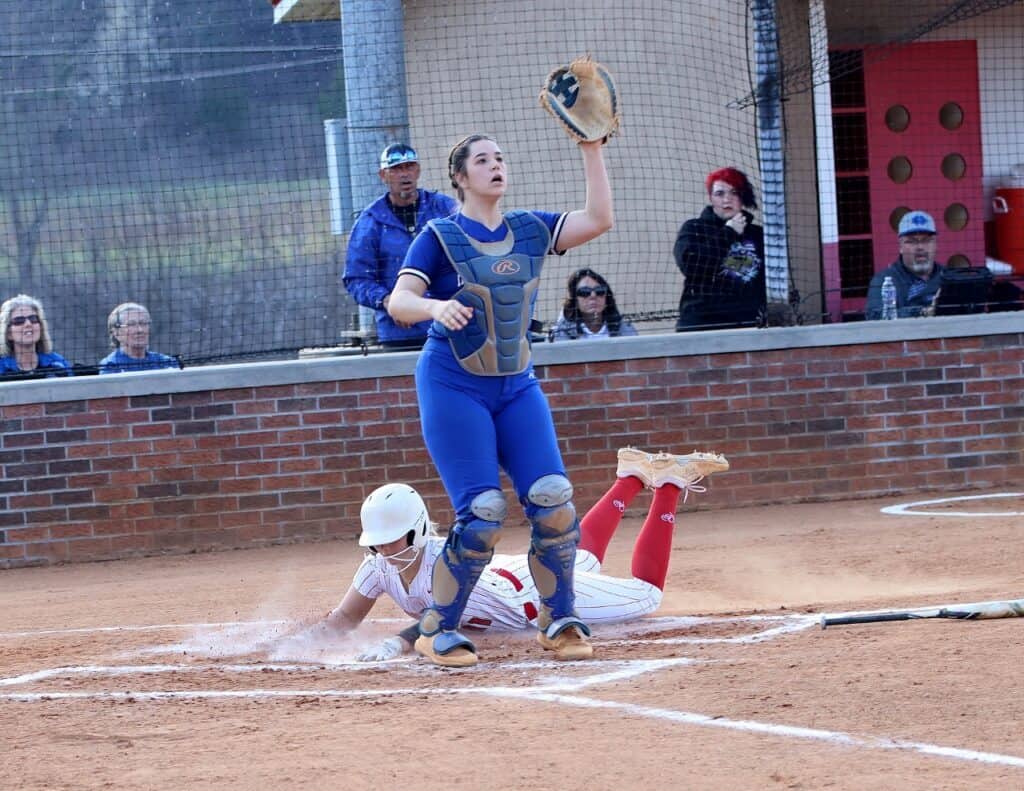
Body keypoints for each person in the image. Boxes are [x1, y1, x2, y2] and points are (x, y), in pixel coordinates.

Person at [387, 133, 614, 667]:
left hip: (516, 384)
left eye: (500, 158)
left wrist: (592, 147)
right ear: (460, 179)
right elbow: (400, 301)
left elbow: (599, 218)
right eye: (482, 161)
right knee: (483, 513)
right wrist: (435, 307)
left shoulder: (530, 229)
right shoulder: (440, 236)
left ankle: (558, 619)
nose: (496, 166)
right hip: (453, 384)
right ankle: (436, 629)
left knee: (553, 500)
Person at [311, 448, 729, 663]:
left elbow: (435, 620)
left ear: (418, 529)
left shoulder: (449, 562)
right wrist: (294, 642)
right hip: (507, 571)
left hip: (530, 599)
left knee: (647, 596)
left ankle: (670, 484)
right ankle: (630, 477)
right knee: (580, 556)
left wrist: (396, 645)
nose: (383, 549)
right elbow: (344, 620)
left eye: (392, 539)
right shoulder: (377, 568)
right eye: (377, 541)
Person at [342, 143, 459, 349]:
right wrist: (389, 302)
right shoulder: (371, 222)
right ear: (383, 175)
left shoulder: (444, 209)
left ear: (418, 170)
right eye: (396, 169)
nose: (404, 175)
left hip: (449, 326)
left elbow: (471, 253)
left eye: (409, 166)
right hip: (399, 334)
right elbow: (356, 278)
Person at [673, 167, 766, 331]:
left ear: (742, 198)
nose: (727, 199)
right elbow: (690, 265)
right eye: (720, 194)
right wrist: (729, 233)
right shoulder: (694, 228)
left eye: (734, 193)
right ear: (711, 198)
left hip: (748, 322)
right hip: (701, 323)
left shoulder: (757, 235)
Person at [865, 210, 945, 320]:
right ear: (900, 247)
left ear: (936, 244)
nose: (920, 247)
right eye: (912, 241)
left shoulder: (948, 277)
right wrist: (921, 312)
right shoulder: (884, 280)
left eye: (926, 241)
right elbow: (875, 315)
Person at [550, 268, 638, 340]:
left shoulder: (624, 329)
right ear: (575, 300)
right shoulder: (560, 334)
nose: (593, 296)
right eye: (584, 292)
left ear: (606, 297)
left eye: (599, 291)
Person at [0, 294, 72, 378]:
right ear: (8, 333)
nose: (28, 324)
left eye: (33, 319)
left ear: (41, 326)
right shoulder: (2, 368)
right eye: (19, 321)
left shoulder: (57, 363)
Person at [98, 302, 180, 374]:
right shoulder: (110, 366)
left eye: (143, 323)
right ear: (116, 333)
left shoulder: (167, 363)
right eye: (131, 324)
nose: (140, 330)